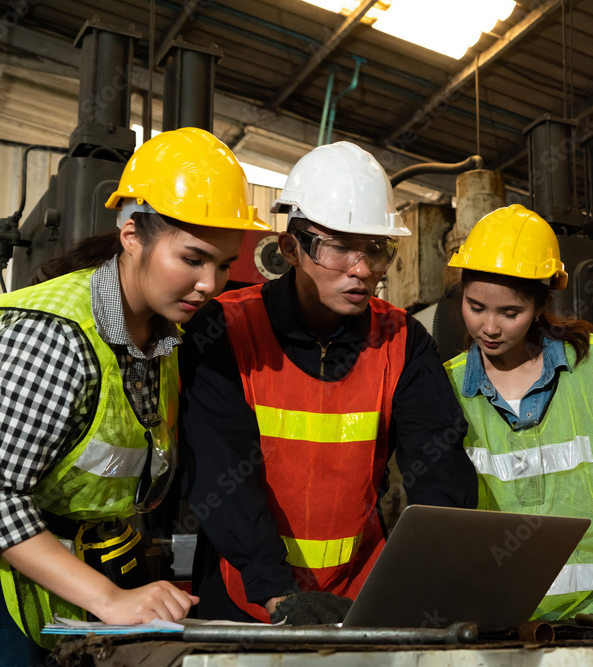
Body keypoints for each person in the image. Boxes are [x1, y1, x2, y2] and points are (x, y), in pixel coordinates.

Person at [0, 127, 266, 659]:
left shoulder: (165, 335)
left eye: (223, 265)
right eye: (193, 259)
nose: (211, 284)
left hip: (80, 556)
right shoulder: (53, 334)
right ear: (131, 234)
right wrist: (110, 599)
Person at [179, 141, 478, 625]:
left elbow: (439, 469)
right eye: (340, 247)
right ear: (290, 248)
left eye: (376, 250)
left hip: (361, 592)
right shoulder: (224, 331)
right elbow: (219, 472)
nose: (362, 270)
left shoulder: (403, 340)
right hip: (244, 594)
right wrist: (277, 594)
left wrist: (429, 582)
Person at [443, 204, 593, 620]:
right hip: (497, 615)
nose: (489, 328)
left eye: (510, 313)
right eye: (476, 307)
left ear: (543, 302)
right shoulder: (447, 387)